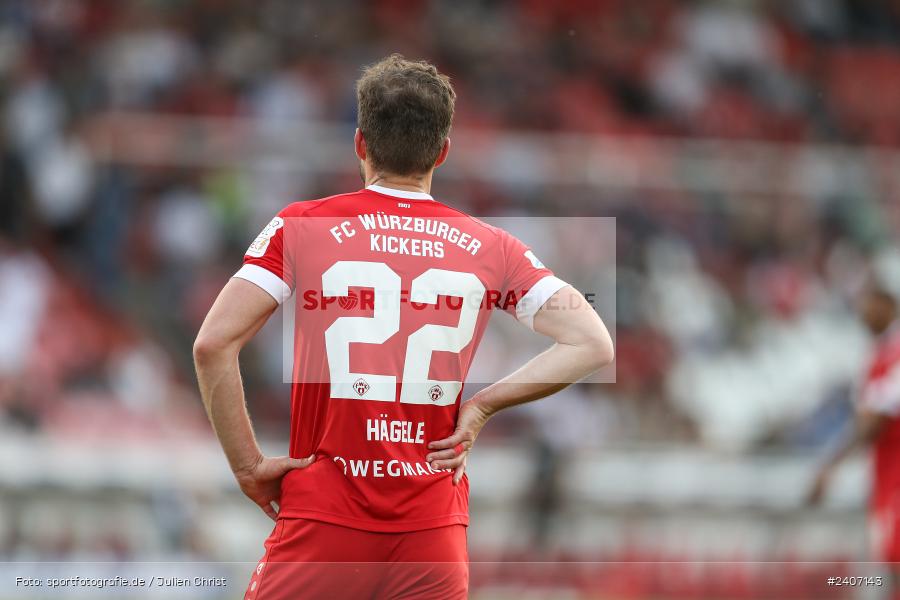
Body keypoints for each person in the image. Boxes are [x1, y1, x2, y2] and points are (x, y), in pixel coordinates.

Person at [193, 54, 614, 600]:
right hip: (430, 533)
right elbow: (592, 342)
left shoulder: (304, 225)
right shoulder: (492, 247)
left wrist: (248, 466)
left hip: (325, 522)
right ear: (442, 152)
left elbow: (212, 344)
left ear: (360, 143)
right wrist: (483, 405)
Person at [808, 276, 900, 593]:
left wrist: (831, 465)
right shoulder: (879, 355)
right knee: (883, 571)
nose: (863, 313)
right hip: (884, 477)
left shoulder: (894, 357)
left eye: (871, 306)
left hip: (896, 480)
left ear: (890, 307)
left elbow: (872, 419)